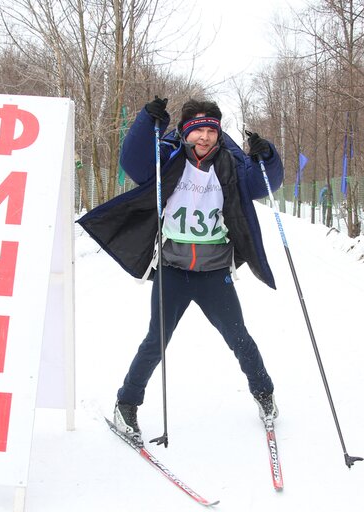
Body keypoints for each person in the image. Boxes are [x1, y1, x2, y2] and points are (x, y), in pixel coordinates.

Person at [77, 97, 285, 442]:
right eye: (197, 130)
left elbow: (264, 183)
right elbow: (133, 162)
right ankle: (126, 403)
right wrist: (146, 120)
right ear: (185, 132)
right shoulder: (167, 159)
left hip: (214, 272)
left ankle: (264, 394)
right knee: (155, 342)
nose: (204, 137)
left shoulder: (231, 165)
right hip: (173, 270)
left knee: (239, 337)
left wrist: (267, 155)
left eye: (210, 130)